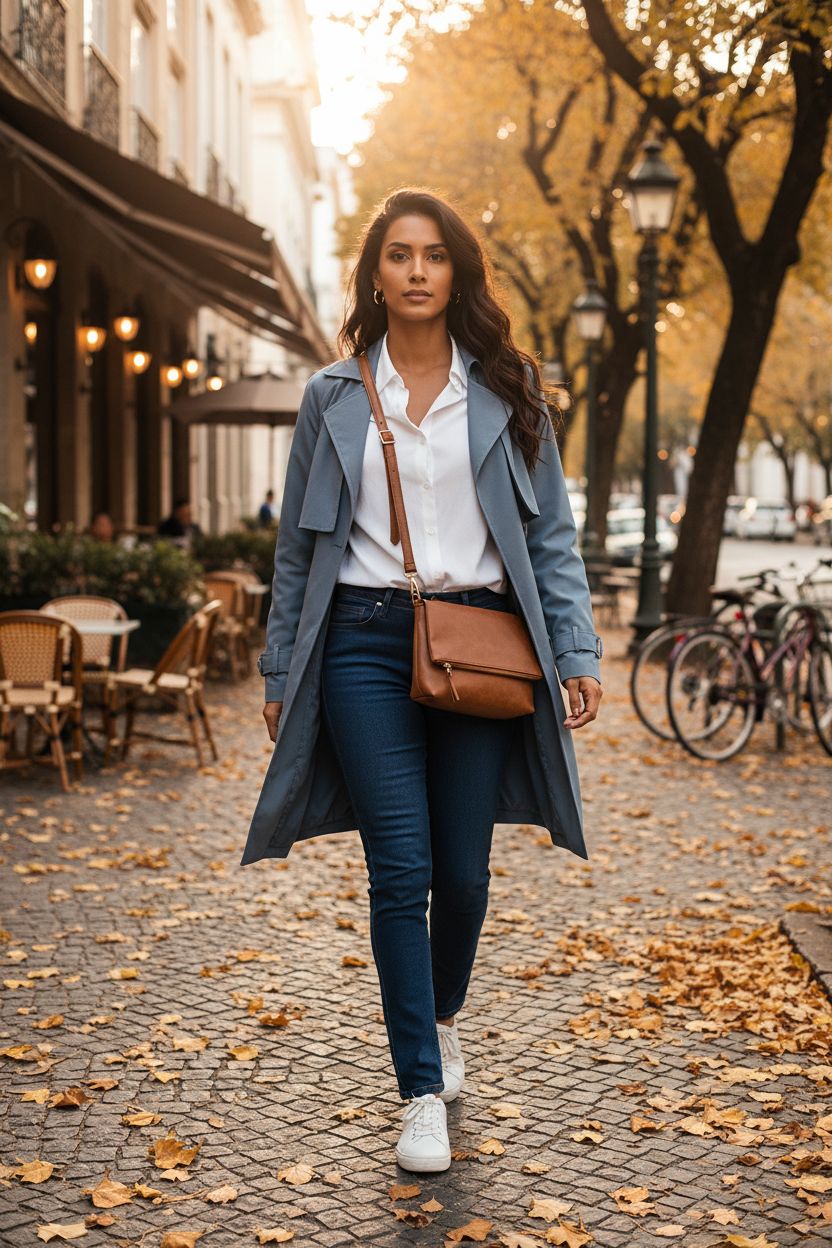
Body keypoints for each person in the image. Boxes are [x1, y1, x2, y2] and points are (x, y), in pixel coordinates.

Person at [241, 188, 603, 1174]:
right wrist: (283, 665)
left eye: (431, 255)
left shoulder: (508, 389)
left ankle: (442, 1018)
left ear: (456, 273)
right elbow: (293, 548)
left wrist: (573, 650)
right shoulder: (333, 395)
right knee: (399, 868)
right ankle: (416, 1092)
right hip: (360, 642)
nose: (413, 271)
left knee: (465, 873)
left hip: (480, 638)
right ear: (374, 274)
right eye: (396, 254)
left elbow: (550, 538)